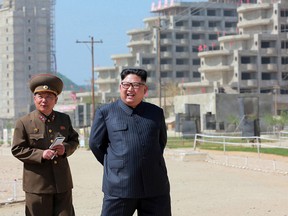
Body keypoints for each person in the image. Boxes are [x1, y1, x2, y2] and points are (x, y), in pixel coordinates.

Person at [89, 68, 171, 216]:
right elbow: (96, 145)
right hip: (119, 187)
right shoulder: (106, 112)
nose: (130, 89)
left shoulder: (156, 113)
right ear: (120, 87)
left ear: (144, 89)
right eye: (126, 85)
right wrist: (117, 164)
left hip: (155, 186)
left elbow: (160, 143)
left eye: (136, 85)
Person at [12, 74, 79, 216]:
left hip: (62, 183)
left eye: (49, 96)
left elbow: (74, 140)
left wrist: (65, 149)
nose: (44, 100)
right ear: (34, 99)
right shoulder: (24, 122)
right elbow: (17, 149)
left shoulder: (64, 119)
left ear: (56, 100)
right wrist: (40, 154)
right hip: (37, 186)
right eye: (40, 96)